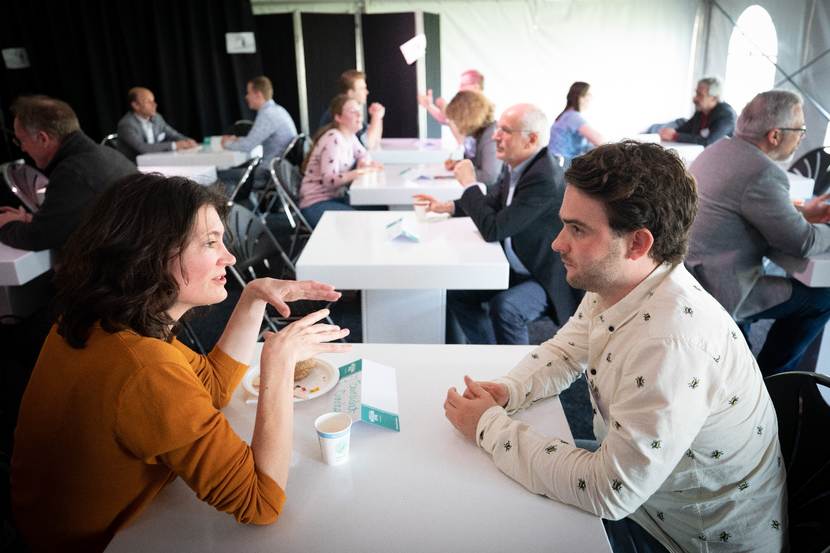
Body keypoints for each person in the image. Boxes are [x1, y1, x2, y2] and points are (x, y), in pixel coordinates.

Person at [444, 141, 787, 552]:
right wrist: (509, 390)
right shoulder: (624, 278)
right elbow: (566, 350)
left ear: (638, 243)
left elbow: (610, 492)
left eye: (578, 229)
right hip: (649, 494)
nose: (557, 243)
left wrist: (488, 426)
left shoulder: (672, 344)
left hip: (682, 537)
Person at [11, 173, 350, 552]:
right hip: (97, 541)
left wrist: (253, 297)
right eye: (210, 243)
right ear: (151, 254)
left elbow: (213, 388)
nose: (230, 257)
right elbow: (261, 502)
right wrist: (279, 365)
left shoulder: (103, 321)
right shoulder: (144, 367)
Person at [687, 89, 830, 376]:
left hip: (690, 275)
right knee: (822, 299)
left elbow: (744, 208)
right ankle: (773, 377)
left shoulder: (717, 151)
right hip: (721, 289)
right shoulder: (762, 172)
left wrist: (802, 213)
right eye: (800, 130)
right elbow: (804, 242)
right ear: (775, 135)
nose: (802, 137)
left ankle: (751, 361)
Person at [416, 103, 580, 345]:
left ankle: (517, 377)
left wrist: (470, 184)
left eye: (505, 130)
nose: (495, 136)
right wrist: (449, 207)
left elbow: (494, 229)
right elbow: (493, 202)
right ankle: (489, 353)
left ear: (531, 139)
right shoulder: (519, 165)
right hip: (517, 266)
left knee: (506, 309)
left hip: (543, 274)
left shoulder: (544, 178)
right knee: (458, 294)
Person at [0, 95, 136, 252]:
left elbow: (38, 238)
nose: (23, 148)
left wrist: (6, 224)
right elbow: (65, 221)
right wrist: (31, 220)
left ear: (42, 138)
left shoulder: (72, 172)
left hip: (122, 269)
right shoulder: (107, 154)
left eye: (21, 140)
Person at [299, 94, 382, 227]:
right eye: (353, 112)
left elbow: (364, 155)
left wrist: (363, 162)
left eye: (359, 111)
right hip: (316, 203)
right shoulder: (334, 138)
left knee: (379, 210)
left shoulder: (350, 136)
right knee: (362, 224)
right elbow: (329, 180)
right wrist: (359, 172)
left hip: (335, 198)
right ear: (338, 118)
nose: (359, 115)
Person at [222, 75, 298, 183]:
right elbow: (254, 139)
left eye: (249, 93)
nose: (246, 97)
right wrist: (237, 140)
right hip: (282, 169)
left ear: (258, 94)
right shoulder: (277, 110)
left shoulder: (267, 115)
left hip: (270, 172)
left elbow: (247, 146)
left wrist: (226, 144)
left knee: (219, 175)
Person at [116, 86, 198, 162]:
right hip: (134, 167)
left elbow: (173, 134)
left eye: (153, 101)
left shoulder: (157, 118)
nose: (154, 104)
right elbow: (143, 148)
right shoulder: (126, 124)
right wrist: (175, 145)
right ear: (136, 105)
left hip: (154, 162)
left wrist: (187, 140)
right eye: (149, 102)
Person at [442, 90, 502, 187]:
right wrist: (458, 164)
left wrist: (462, 170)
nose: (455, 124)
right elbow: (475, 163)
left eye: (455, 119)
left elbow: (489, 177)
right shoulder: (476, 133)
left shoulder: (491, 137)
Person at [658, 77, 736, 146]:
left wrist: (675, 136)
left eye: (700, 95)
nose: (695, 98)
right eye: (696, 93)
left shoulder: (727, 115)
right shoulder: (701, 112)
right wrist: (669, 132)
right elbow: (683, 129)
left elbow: (709, 142)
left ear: (714, 98)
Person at [317, 70, 385, 150]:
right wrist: (376, 117)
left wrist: (378, 116)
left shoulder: (350, 112)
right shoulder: (342, 113)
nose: (366, 92)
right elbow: (368, 144)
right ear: (350, 93)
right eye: (362, 88)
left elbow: (375, 140)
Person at [548, 82, 603, 164]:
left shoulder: (565, 115)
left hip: (554, 163)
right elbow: (600, 141)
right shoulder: (573, 117)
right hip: (563, 166)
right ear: (580, 97)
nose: (591, 98)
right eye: (589, 95)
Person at [418, 69, 485, 127]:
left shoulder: (480, 109)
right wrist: (429, 106)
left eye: (463, 85)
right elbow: (445, 118)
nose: (460, 89)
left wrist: (444, 108)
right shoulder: (465, 105)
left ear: (476, 87)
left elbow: (461, 136)